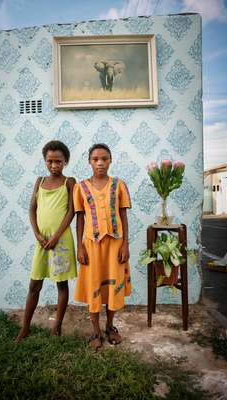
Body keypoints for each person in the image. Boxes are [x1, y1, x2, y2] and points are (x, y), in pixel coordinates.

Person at [16, 140, 77, 341]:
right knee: (34, 284)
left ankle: (57, 326)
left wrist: (57, 235)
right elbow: (32, 209)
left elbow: (71, 212)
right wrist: (37, 234)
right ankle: (25, 327)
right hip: (41, 241)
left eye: (58, 161)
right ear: (45, 161)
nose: (53, 165)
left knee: (61, 285)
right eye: (50, 161)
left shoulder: (70, 182)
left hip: (61, 242)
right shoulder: (40, 181)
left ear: (65, 161)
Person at [73, 143, 132, 350]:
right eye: (95, 159)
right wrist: (80, 247)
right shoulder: (80, 187)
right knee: (94, 285)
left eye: (104, 158)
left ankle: (110, 327)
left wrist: (125, 243)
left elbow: (123, 215)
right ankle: (95, 331)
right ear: (89, 161)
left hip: (115, 244)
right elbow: (80, 218)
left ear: (110, 161)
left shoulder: (119, 185)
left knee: (112, 288)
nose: (100, 162)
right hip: (91, 245)